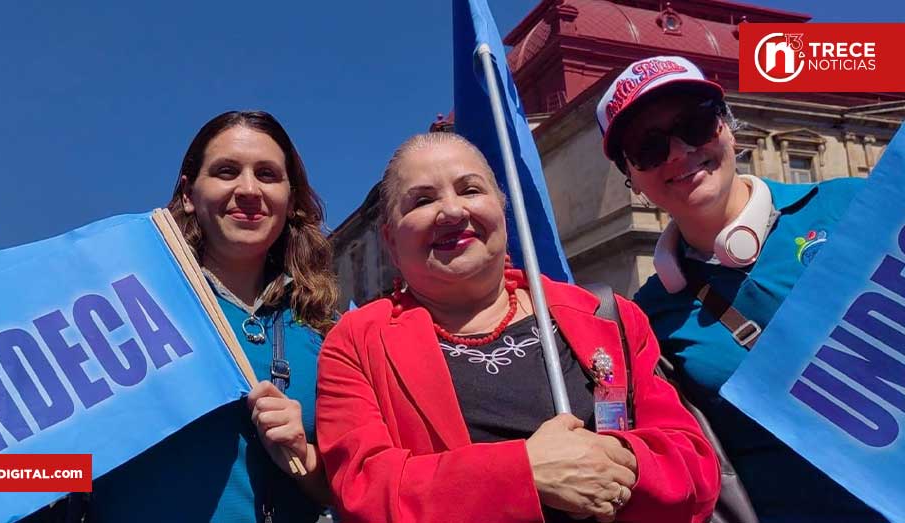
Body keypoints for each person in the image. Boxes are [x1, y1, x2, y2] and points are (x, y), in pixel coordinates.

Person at [315, 132, 720, 523]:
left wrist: (614, 467)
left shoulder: (605, 315)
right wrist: (525, 473)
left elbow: (694, 466)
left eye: (470, 190)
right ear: (390, 239)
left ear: (502, 209)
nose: (453, 211)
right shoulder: (355, 342)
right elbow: (364, 494)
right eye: (422, 200)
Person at [596, 55, 888, 523]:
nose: (676, 151)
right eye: (648, 148)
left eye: (694, 123)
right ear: (632, 179)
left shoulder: (851, 205)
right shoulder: (648, 315)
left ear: (728, 128)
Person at [88, 110, 337, 522]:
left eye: (268, 174)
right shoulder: (126, 313)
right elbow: (52, 461)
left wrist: (303, 455)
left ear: (291, 200)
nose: (248, 189)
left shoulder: (325, 335)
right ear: (188, 193)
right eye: (226, 171)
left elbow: (350, 490)